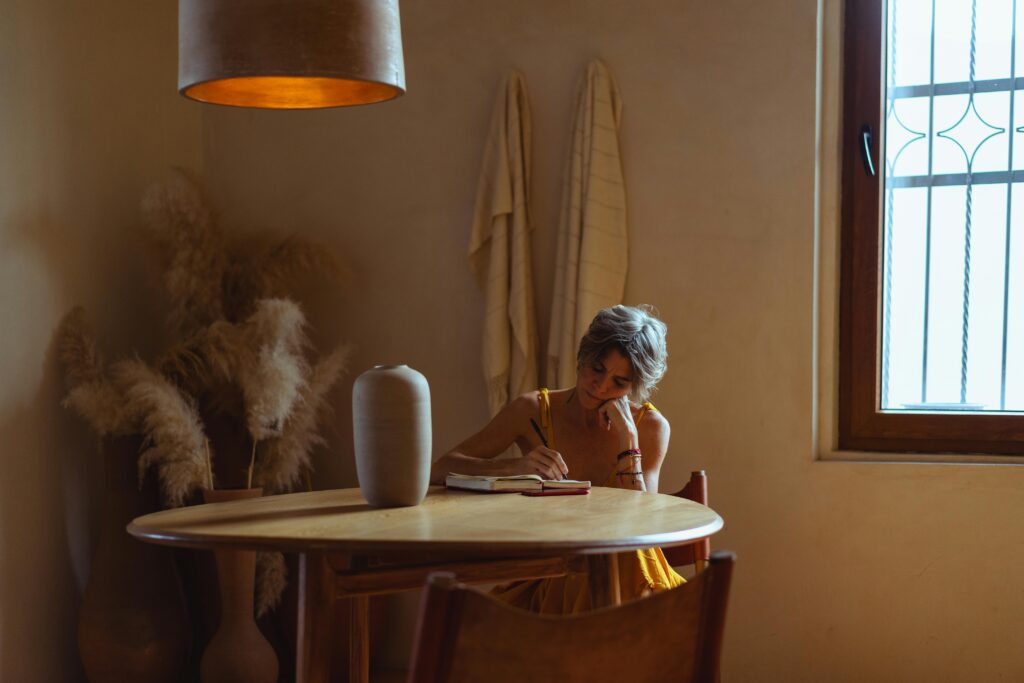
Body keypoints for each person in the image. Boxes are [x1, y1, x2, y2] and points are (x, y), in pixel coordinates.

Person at [430, 304, 683, 613]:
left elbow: (642, 525)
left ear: (635, 387)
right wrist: (515, 468)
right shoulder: (534, 410)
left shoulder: (651, 428)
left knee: (616, 550)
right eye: (597, 368)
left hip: (631, 576)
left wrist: (627, 439)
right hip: (552, 574)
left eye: (619, 382)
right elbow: (441, 468)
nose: (601, 386)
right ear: (582, 356)